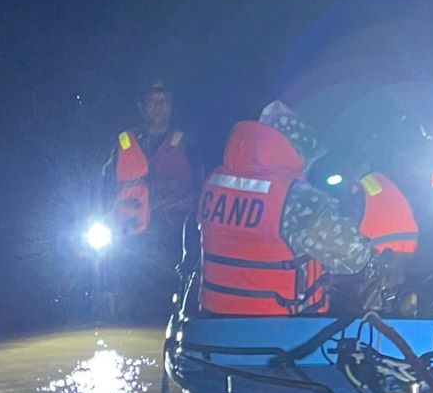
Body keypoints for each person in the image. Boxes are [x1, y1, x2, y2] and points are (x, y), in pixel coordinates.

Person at [198, 100, 397, 315]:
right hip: (280, 327)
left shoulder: (214, 183)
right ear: (297, 154)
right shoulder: (298, 199)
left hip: (213, 322)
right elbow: (356, 255)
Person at [105, 79, 199, 241]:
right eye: (152, 101)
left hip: (173, 236)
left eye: (164, 100)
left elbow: (198, 190)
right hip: (128, 236)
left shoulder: (186, 144)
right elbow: (106, 185)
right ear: (141, 106)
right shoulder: (124, 142)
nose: (159, 106)